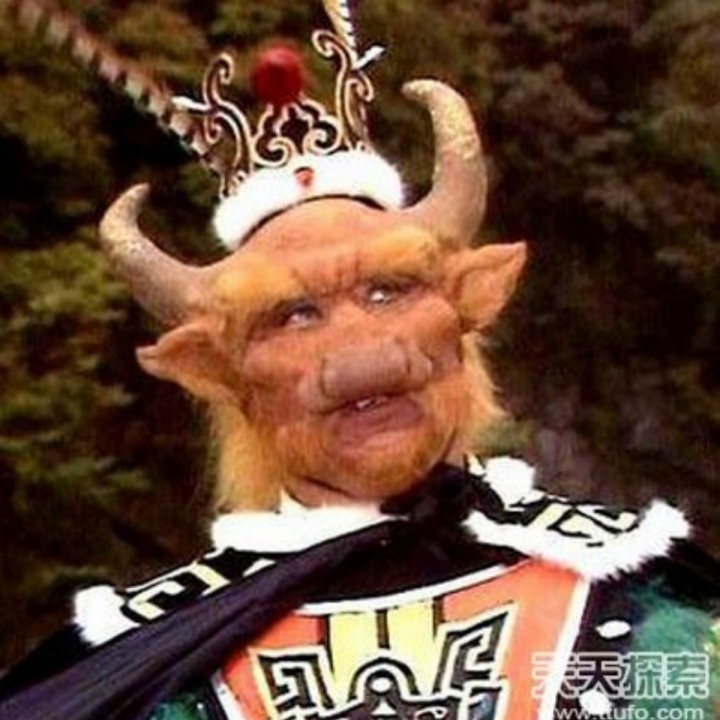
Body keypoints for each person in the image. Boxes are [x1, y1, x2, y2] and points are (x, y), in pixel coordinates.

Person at [0, 2, 717, 719]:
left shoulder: (629, 594)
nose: (357, 348)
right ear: (218, 374)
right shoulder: (150, 667)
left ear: (474, 300)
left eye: (389, 289)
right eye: (292, 315)